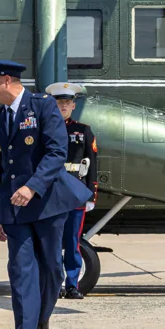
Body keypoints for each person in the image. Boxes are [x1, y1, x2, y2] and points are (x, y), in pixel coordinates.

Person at [0, 60, 92, 329]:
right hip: (14, 208)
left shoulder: (43, 106)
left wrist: (32, 187)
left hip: (48, 202)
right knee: (20, 266)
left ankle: (42, 319)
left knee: (51, 266)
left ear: (6, 80)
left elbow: (57, 153)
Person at [45, 82, 98, 300]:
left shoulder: (83, 131)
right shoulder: (44, 129)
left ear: (73, 106)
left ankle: (73, 285)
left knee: (72, 243)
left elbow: (92, 163)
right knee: (54, 243)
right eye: (59, 102)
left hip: (76, 192)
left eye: (67, 103)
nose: (63, 106)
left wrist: (91, 194)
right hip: (52, 194)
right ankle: (55, 284)